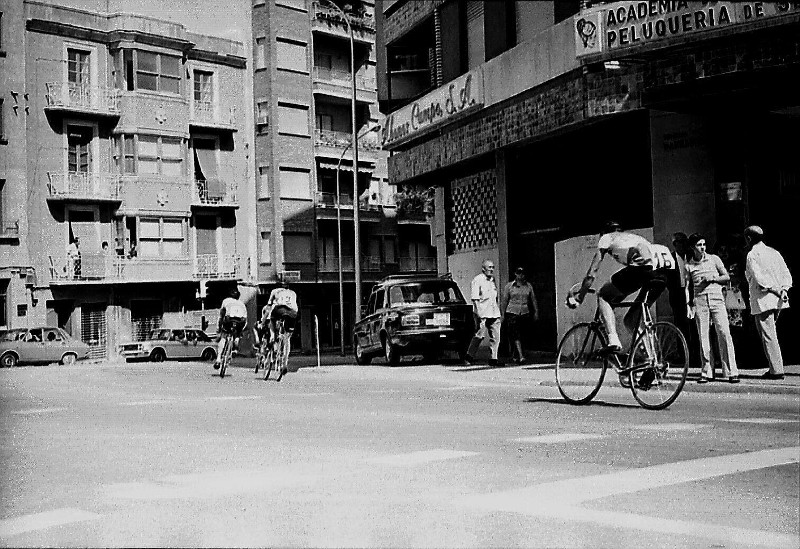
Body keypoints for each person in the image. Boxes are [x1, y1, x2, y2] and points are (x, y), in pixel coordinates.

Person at [685, 233, 739, 384]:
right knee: (703, 336)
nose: (702, 248)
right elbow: (688, 287)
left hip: (716, 300)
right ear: (692, 247)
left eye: (703, 244)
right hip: (700, 301)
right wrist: (689, 304)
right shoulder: (689, 265)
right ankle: (707, 371)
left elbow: (726, 277)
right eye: (699, 245)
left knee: (723, 332)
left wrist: (713, 278)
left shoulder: (714, 259)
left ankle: (730, 371)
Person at [744, 225, 792, 380]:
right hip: (778, 301)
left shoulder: (752, 255)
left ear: (749, 238)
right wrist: (784, 290)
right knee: (771, 333)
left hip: (763, 300)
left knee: (768, 335)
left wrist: (777, 290)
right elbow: (786, 274)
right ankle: (775, 367)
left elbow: (760, 279)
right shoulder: (774, 252)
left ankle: (776, 370)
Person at [258, 280, 299, 380]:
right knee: (287, 337)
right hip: (293, 313)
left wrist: (263, 322)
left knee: (272, 320)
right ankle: (285, 363)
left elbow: (268, 308)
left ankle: (272, 336)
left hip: (279, 310)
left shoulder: (275, 291)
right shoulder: (293, 293)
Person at [465, 259, 502, 367]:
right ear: (483, 269)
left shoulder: (492, 280)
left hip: (494, 312)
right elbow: (475, 298)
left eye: (492, 267)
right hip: (482, 312)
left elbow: (496, 297)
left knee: (496, 337)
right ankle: (469, 356)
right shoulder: (477, 280)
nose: (491, 270)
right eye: (489, 267)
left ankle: (493, 359)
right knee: (479, 335)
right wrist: (478, 313)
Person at [500, 267, 539, 364]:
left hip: (524, 312)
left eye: (522, 273)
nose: (520, 275)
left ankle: (515, 355)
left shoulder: (528, 286)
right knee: (515, 333)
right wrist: (502, 314)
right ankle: (521, 356)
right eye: (518, 273)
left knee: (523, 334)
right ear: (515, 274)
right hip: (512, 312)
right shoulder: (509, 286)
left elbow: (533, 299)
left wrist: (536, 311)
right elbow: (504, 300)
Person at [213, 288, 247, 370]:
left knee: (223, 337)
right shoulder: (242, 304)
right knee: (238, 333)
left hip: (229, 319)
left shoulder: (226, 301)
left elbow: (221, 315)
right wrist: (240, 331)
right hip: (240, 320)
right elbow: (245, 320)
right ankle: (236, 345)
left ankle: (218, 359)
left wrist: (219, 327)